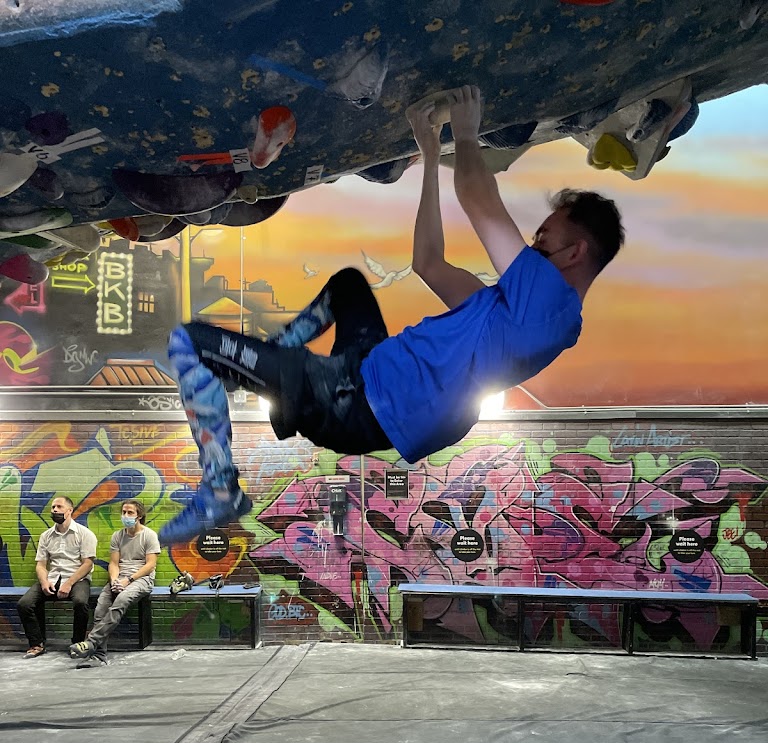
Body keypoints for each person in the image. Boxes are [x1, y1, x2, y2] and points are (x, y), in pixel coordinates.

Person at [158, 84, 624, 548]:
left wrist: (466, 134)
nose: (530, 246)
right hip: (370, 370)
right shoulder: (517, 318)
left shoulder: (550, 304)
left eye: (543, 239)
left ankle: (220, 488)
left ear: (574, 253)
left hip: (353, 401)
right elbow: (429, 263)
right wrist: (429, 155)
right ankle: (261, 365)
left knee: (188, 344)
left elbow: (479, 199)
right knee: (349, 287)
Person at [69, 499, 160, 666]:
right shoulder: (117, 536)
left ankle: (91, 642)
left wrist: (128, 580)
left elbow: (150, 565)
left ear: (139, 516)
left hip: (141, 579)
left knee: (121, 600)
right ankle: (99, 656)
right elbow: (114, 563)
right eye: (124, 512)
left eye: (130, 512)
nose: (125, 515)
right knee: (100, 609)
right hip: (120, 578)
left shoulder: (149, 535)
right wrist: (114, 580)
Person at [17, 495, 98, 658]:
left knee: (81, 603)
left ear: (70, 511)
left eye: (59, 507)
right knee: (24, 604)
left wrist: (69, 583)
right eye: (53, 507)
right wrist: (44, 582)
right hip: (53, 578)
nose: (55, 510)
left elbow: (87, 564)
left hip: (78, 579)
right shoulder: (46, 536)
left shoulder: (85, 534)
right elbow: (41, 565)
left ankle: (77, 644)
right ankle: (37, 644)